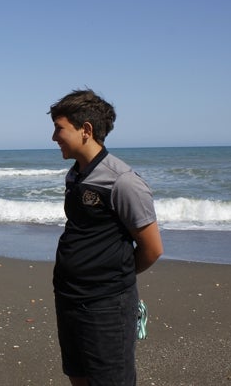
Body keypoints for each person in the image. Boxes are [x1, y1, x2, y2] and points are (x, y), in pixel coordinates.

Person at [49, 89, 163, 386]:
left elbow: (152, 248)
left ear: (85, 130)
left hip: (107, 306)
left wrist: (111, 276)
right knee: (78, 375)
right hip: (70, 297)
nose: (54, 137)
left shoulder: (123, 181)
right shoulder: (75, 174)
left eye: (59, 128)